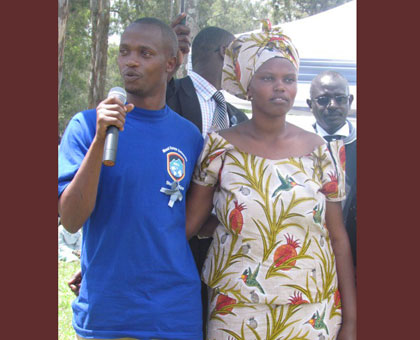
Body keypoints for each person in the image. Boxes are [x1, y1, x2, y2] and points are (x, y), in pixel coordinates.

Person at [185, 21, 356, 340]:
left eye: (288, 79)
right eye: (268, 78)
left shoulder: (322, 151)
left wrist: (351, 322)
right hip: (234, 311)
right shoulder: (218, 147)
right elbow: (188, 225)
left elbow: (338, 238)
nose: (281, 87)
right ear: (248, 87)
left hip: (311, 313)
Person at [58, 17, 204, 340]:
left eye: (144, 53)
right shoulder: (85, 127)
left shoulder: (190, 137)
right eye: (124, 52)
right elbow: (70, 219)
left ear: (170, 64)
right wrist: (100, 140)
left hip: (175, 315)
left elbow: (189, 219)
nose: (131, 61)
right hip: (109, 314)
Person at [166, 25, 249, 331]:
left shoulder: (237, 115)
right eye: (236, 56)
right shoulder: (172, 93)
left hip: (222, 242)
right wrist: (171, 57)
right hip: (175, 236)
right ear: (222, 54)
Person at [306, 70, 357, 267]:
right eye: (323, 99)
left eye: (340, 98)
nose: (332, 105)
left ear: (350, 101)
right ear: (310, 105)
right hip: (312, 256)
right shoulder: (297, 148)